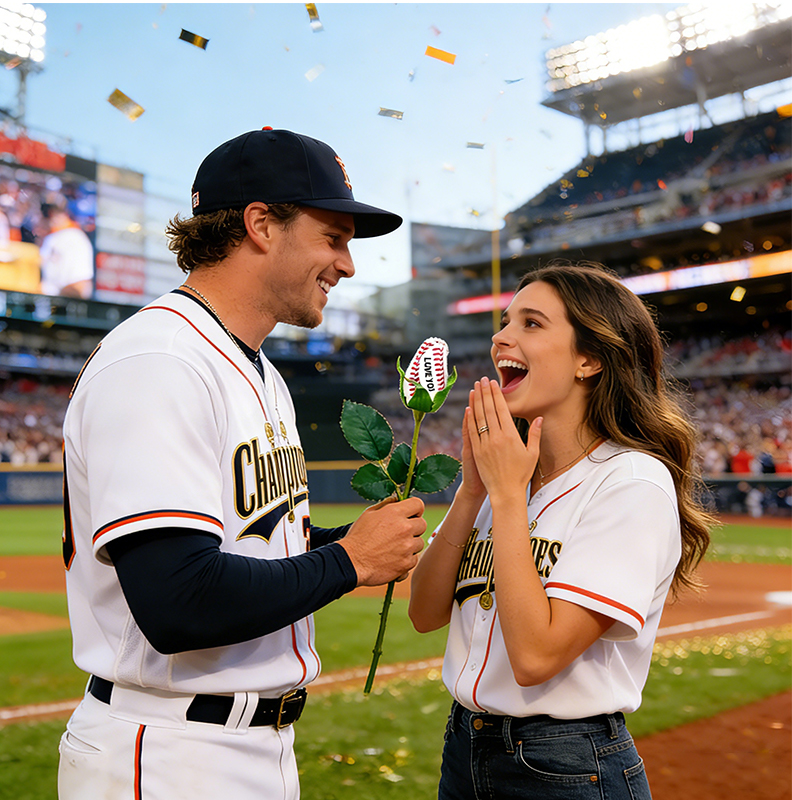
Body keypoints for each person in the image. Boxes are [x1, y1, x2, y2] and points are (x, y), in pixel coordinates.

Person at [58, 128, 427, 799]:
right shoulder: (161, 358)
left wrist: (351, 541)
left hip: (245, 745)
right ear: (261, 224)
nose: (347, 265)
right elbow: (178, 602)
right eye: (333, 237)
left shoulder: (256, 369)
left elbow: (254, 545)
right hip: (167, 750)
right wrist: (351, 561)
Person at [409, 261, 713, 800]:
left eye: (531, 323)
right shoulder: (509, 475)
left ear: (588, 359)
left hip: (564, 763)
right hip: (465, 748)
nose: (501, 336)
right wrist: (472, 492)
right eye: (505, 322)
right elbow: (424, 612)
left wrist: (506, 497)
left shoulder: (631, 480)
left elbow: (536, 658)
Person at [39, 203, 94, 298]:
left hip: (64, 298)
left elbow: (80, 285)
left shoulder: (76, 237)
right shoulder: (53, 238)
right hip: (51, 296)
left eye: (57, 214)